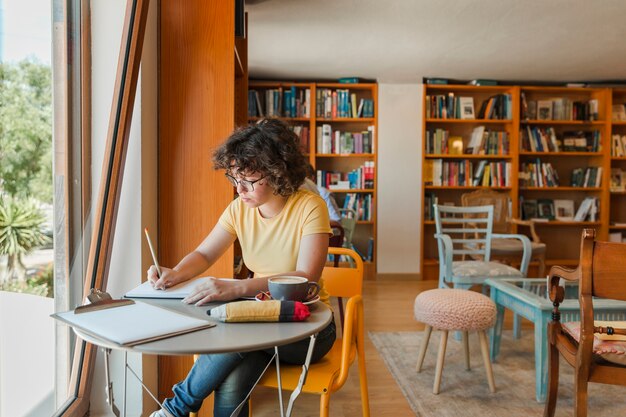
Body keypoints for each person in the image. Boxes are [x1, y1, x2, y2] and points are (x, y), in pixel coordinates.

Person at [148, 119, 336, 417]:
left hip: (308, 327)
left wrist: (238, 287)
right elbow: (204, 253)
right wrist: (175, 273)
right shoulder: (239, 209)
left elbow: (304, 278)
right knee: (234, 381)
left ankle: (174, 409)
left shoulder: (310, 207)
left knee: (237, 336)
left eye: (247, 181)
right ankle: (174, 411)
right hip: (259, 320)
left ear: (277, 172)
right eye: (234, 179)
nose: (239, 189)